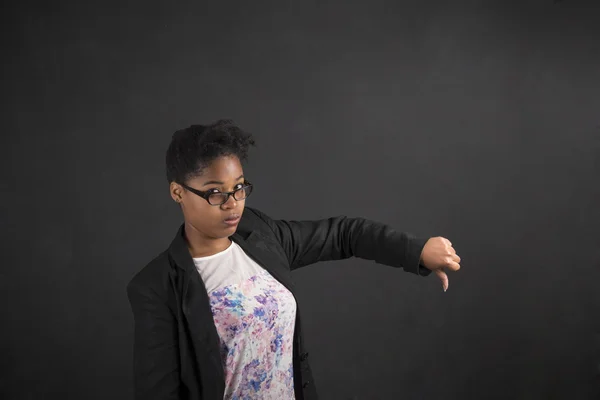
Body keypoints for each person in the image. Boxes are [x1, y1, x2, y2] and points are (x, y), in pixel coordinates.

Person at [126, 119, 461, 400]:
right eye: (216, 192)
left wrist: (414, 250)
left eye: (240, 188)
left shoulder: (258, 234)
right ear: (177, 192)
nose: (233, 204)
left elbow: (342, 234)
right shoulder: (157, 286)